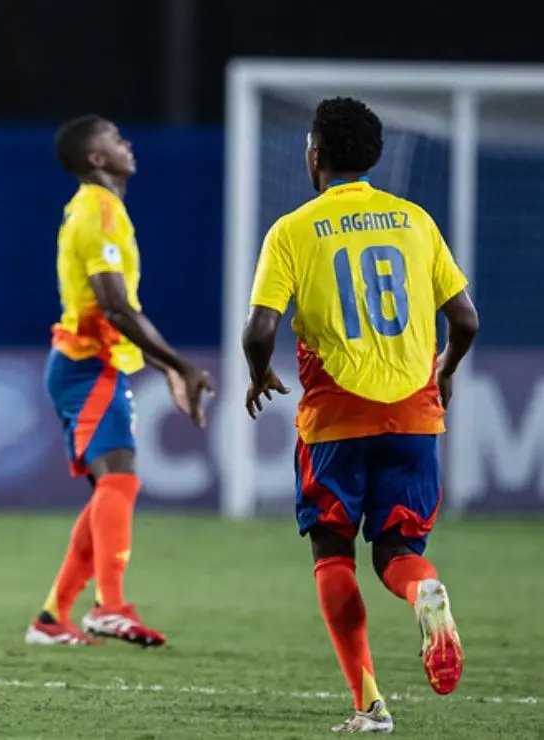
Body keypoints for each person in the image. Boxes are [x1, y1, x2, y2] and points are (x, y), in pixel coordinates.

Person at [242, 96, 478, 733]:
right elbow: (465, 320)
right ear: (372, 155)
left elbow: (259, 327)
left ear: (314, 154)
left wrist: (258, 371)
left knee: (333, 551)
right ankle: (423, 590)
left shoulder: (293, 229)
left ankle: (369, 704)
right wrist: (445, 372)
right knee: (399, 548)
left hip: (336, 418)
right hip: (414, 412)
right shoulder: (414, 220)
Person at [24, 115, 215, 648]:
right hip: (87, 365)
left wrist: (165, 367)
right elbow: (114, 305)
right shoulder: (97, 211)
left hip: (94, 365)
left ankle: (52, 617)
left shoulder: (104, 209)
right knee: (120, 481)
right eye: (114, 138)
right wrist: (180, 365)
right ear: (96, 159)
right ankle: (108, 606)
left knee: (109, 489)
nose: (126, 143)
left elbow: (122, 310)